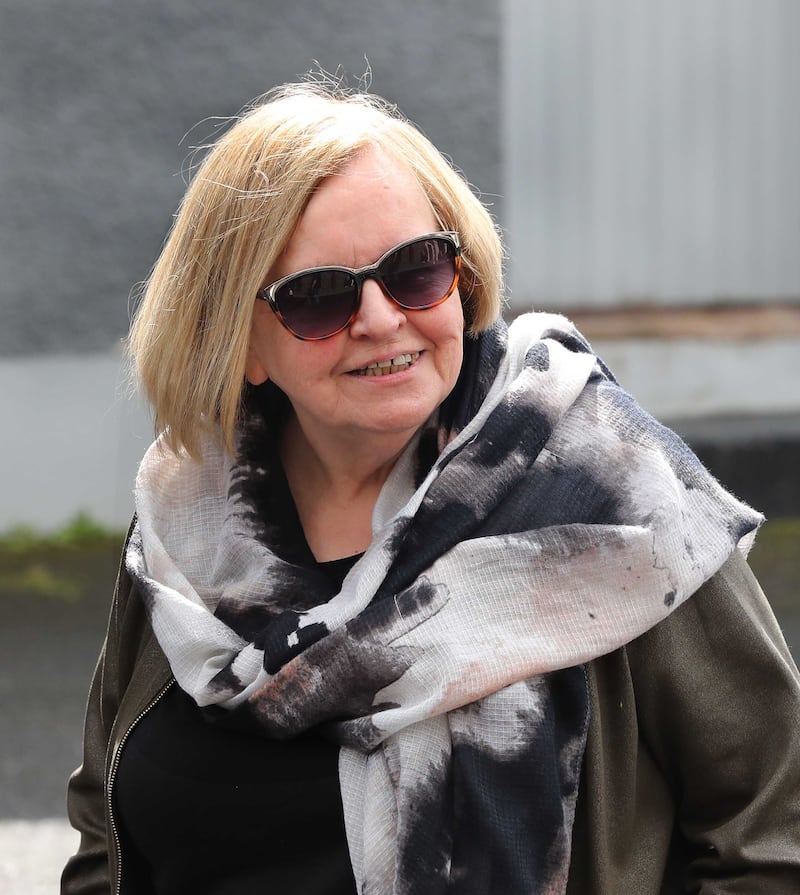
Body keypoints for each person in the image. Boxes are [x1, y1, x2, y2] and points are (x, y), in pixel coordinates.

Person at [62, 81, 800, 895]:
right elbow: (105, 834)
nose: (382, 317)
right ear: (241, 345)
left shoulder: (612, 496)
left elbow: (773, 833)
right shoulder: (183, 535)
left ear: (463, 278)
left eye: (415, 269)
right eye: (320, 295)